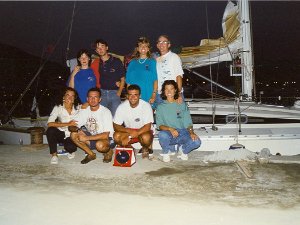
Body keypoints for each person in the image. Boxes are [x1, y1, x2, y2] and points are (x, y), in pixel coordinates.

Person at [155, 80, 201, 162]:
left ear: (175, 90)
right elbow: (160, 126)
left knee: (197, 142)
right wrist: (170, 129)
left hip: (183, 132)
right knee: (162, 135)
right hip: (170, 133)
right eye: (166, 89)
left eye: (171, 89)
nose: (169, 91)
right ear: (163, 91)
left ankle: (183, 149)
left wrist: (191, 133)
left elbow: (188, 122)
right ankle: (166, 152)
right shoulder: (160, 107)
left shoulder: (182, 104)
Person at [69, 88, 114, 164]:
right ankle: (91, 154)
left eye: (95, 97)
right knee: (73, 134)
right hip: (92, 135)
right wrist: (77, 130)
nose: (93, 99)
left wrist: (86, 138)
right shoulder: (84, 111)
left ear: (100, 99)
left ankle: (109, 151)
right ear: (87, 99)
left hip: (105, 139)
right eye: (90, 97)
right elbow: (71, 126)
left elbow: (106, 135)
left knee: (100, 145)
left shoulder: (105, 112)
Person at [113, 85, 154, 159]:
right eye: (130, 95)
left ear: (140, 96)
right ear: (127, 96)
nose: (133, 97)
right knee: (116, 136)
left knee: (146, 137)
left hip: (143, 130)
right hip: (129, 130)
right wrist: (127, 130)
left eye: (135, 95)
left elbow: (147, 127)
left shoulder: (146, 106)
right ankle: (129, 147)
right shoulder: (122, 107)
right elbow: (115, 125)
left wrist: (130, 136)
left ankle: (145, 148)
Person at [46, 87, 79, 164]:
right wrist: (68, 124)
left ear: (74, 98)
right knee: (50, 130)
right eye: (68, 95)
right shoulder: (58, 107)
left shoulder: (78, 107)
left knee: (71, 148)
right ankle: (54, 155)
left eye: (72, 96)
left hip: (73, 135)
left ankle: (69, 149)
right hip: (61, 133)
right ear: (63, 97)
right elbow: (49, 123)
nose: (70, 97)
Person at [94, 38, 125, 116]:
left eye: (102, 46)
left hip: (114, 93)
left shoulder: (116, 61)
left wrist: (119, 92)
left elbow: (123, 78)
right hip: (102, 93)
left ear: (107, 48)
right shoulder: (96, 62)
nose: (100, 49)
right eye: (98, 48)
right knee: (102, 117)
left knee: (115, 118)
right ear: (96, 51)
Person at [154, 35, 184, 108]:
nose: (162, 44)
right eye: (160, 42)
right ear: (157, 45)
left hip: (173, 94)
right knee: (162, 118)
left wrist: (178, 94)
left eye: (164, 42)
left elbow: (179, 76)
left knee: (176, 117)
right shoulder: (156, 60)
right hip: (160, 95)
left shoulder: (174, 57)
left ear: (169, 44)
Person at [126, 37, 158, 104]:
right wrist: (129, 95)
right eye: (141, 46)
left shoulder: (152, 62)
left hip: (148, 96)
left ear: (148, 49)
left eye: (145, 46)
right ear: (137, 49)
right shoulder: (132, 63)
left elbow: (155, 80)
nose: (143, 48)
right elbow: (128, 82)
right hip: (134, 97)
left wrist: (154, 95)